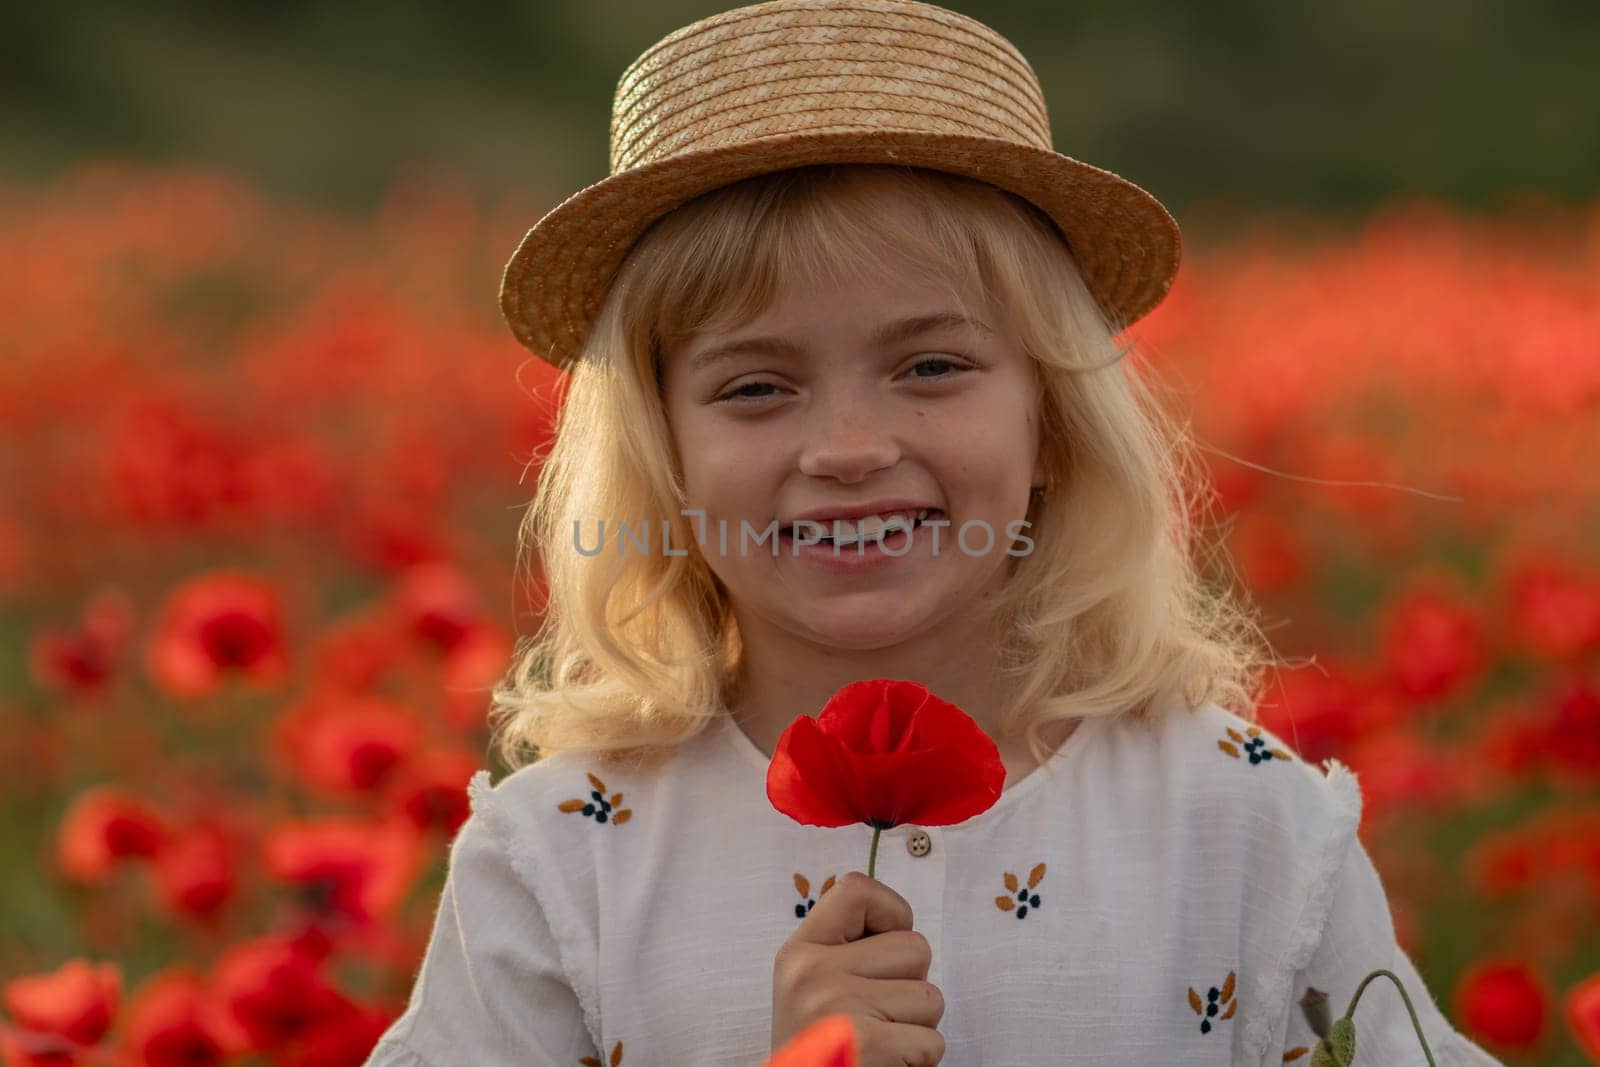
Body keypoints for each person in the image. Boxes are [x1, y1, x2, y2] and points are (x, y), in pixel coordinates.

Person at [366, 1, 1505, 1064]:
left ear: (1051, 418)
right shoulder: (564, 854)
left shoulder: (1243, 823)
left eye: (931, 366)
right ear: (661, 455)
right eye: (757, 387)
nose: (849, 445)